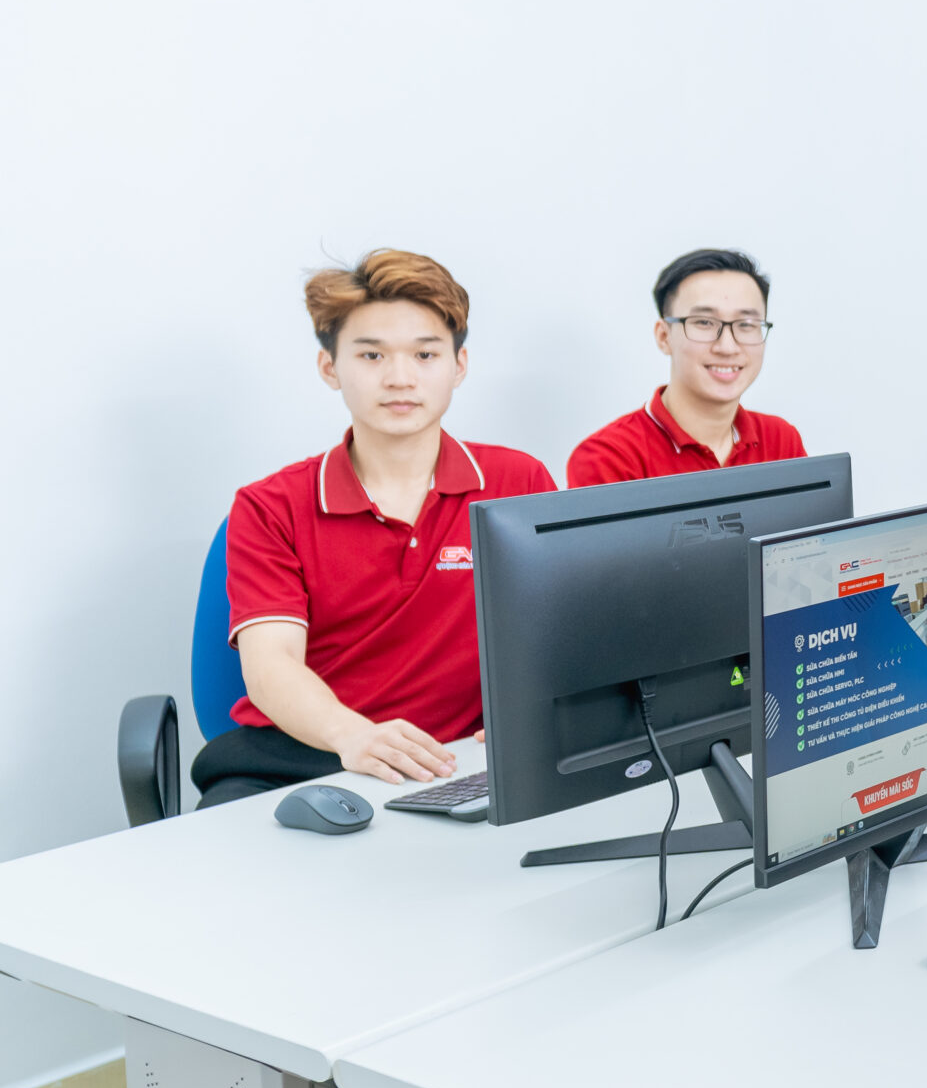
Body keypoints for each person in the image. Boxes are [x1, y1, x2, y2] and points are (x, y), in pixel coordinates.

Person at [195, 251, 556, 808]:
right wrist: (353, 736)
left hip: (461, 759)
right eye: (371, 355)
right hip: (305, 758)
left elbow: (553, 629)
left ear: (459, 366)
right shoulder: (270, 506)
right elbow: (271, 665)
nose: (400, 378)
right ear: (330, 368)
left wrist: (530, 706)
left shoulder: (518, 480)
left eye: (425, 354)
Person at [567, 248, 807, 486]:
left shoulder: (780, 442)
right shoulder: (608, 459)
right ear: (664, 336)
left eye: (746, 324)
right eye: (704, 322)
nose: (727, 347)